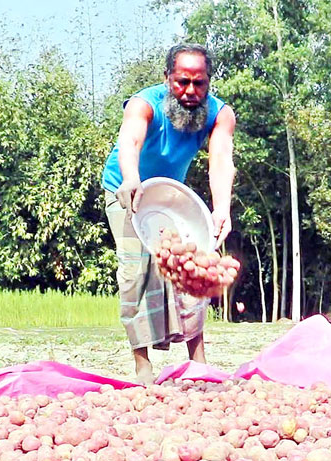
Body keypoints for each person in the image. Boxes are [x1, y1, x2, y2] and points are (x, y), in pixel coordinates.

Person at [101, 43, 237, 384]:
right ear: (167, 79)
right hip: (126, 189)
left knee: (191, 265)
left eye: (199, 83)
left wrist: (222, 207)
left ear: (209, 81)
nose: (190, 91)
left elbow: (221, 159)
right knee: (136, 271)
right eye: (182, 82)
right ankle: (142, 365)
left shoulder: (220, 114)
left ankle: (198, 362)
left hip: (169, 194)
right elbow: (130, 142)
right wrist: (131, 178)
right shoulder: (144, 104)